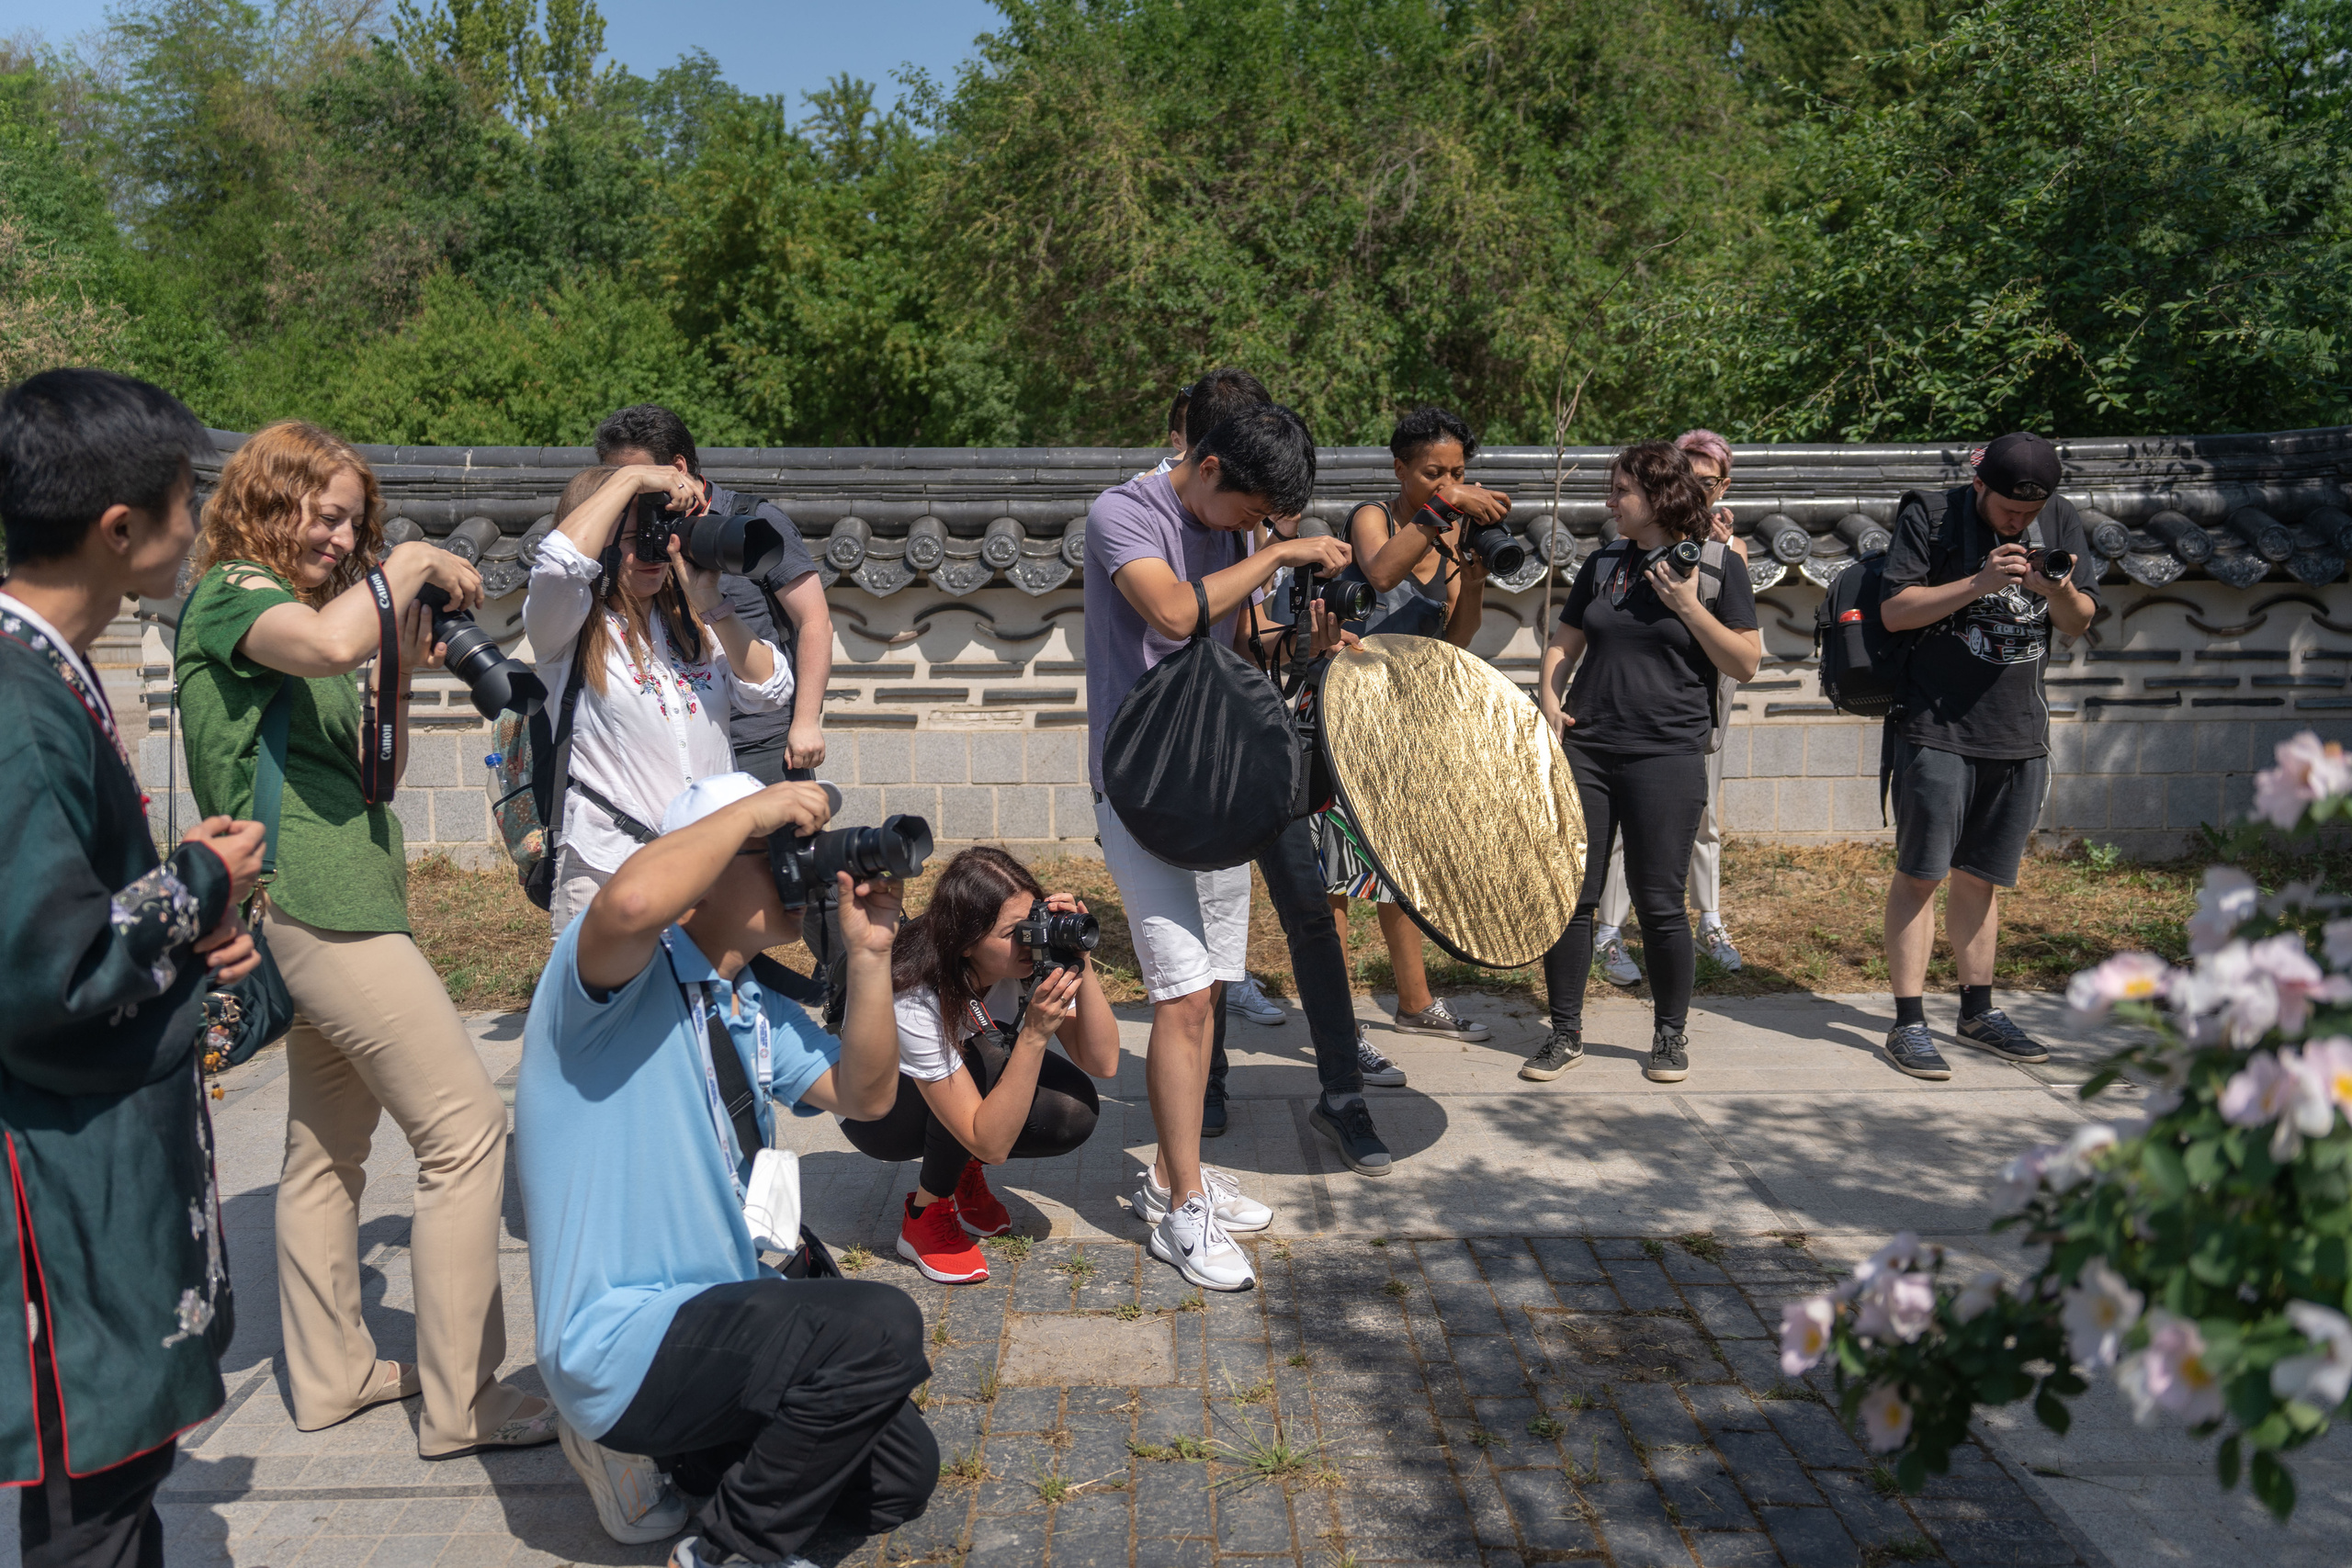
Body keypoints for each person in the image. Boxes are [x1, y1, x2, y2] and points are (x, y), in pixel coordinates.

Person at [175, 421, 557, 1458]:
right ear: (267, 501)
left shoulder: (302, 615)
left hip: (339, 893)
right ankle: (461, 1399)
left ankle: (335, 1374)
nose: (341, 538)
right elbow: (334, 641)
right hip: (315, 902)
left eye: (355, 522)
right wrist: (411, 562)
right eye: (325, 513)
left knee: (323, 1153)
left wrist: (408, 639)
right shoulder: (233, 598)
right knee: (467, 1128)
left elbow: (361, 747)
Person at [516, 773, 929, 1568]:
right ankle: (728, 1550)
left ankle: (688, 1460)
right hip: (621, 1334)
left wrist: (872, 954)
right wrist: (763, 807)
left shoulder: (746, 1002)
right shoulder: (602, 983)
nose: (800, 870)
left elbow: (869, 1096)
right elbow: (633, 904)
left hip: (716, 1320)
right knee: (880, 1328)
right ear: (699, 877)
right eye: (775, 853)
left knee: (900, 1476)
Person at [0, 367, 266, 1568]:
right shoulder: (16, 702)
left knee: (115, 1491)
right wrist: (201, 882)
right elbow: (45, 971)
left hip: (86, 1163)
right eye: (183, 495)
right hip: (57, 1187)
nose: (197, 517)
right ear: (119, 529)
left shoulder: (44, 665)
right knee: (89, 1504)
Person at [1088, 399, 1391, 1292]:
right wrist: (1277, 552)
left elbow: (1232, 638)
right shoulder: (1122, 513)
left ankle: (1177, 1175)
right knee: (1182, 998)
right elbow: (1174, 615)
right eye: (1252, 512)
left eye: (1269, 523)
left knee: (1209, 987)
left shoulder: (1230, 531)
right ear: (1210, 468)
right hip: (1143, 788)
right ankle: (1180, 1209)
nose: (1256, 530)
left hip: (1219, 773)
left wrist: (1308, 628)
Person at [1526, 441, 1761, 1085]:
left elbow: (1744, 660)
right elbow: (1563, 641)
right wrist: (1548, 696)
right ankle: (1565, 1032)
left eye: (1621, 490)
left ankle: (1668, 1033)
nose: (1610, 501)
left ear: (1658, 496)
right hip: (1590, 748)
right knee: (1572, 896)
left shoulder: (1715, 567)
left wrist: (1687, 606)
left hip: (1668, 751)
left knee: (1659, 900)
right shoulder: (1602, 563)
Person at [1877, 432, 2098, 1079]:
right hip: (1937, 724)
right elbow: (1895, 611)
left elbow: (2079, 619)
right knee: (1922, 872)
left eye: (2030, 513)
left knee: (1983, 874)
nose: (2019, 522)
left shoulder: (2059, 518)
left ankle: (1978, 1010)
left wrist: (2052, 588)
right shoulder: (1931, 513)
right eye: (2008, 510)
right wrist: (1979, 581)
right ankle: (1908, 1020)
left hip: (2018, 729)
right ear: (1980, 486)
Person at [523, 462, 797, 931]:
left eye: (658, 530)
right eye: (632, 538)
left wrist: (713, 604)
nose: (650, 549)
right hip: (609, 865)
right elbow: (558, 564)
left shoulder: (693, 626)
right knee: (614, 1005)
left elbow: (769, 690)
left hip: (708, 870)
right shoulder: (565, 630)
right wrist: (629, 478)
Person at [1319, 403, 1512, 1057]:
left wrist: (1476, 582)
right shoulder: (1375, 516)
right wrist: (1445, 509)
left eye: (1458, 472)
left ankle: (1414, 1002)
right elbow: (1378, 574)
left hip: (1406, 723)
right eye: (1434, 472)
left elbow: (1453, 640)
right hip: (1345, 715)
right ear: (1401, 468)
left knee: (1400, 869)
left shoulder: (1452, 537)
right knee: (1337, 876)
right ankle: (1339, 1028)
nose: (1448, 483)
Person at [839, 848, 1120, 1282]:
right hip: (877, 1115)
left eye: (1034, 922)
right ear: (966, 941)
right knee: (979, 1060)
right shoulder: (913, 996)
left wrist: (1078, 959)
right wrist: (1032, 1035)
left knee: (1073, 1110)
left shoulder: (1024, 960)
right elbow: (992, 1145)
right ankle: (925, 1214)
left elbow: (1101, 1061)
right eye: (1014, 932)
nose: (1030, 939)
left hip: (960, 1080)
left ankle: (960, 1166)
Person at [596, 404, 833, 784]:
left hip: (759, 738)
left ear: (678, 467)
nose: (631, 489)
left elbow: (814, 620)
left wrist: (806, 721)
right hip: (674, 745)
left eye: (639, 476)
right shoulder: (619, 537)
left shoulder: (750, 522)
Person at [1593, 428, 1749, 984]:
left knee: (1699, 821)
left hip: (1695, 708)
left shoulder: (1725, 555)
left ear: (1723, 486)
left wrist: (1716, 563)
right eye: (1690, 480)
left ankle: (1709, 920)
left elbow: (1742, 649)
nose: (1699, 492)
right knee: (1617, 833)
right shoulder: (1619, 555)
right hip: (1618, 722)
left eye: (1709, 483)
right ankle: (1609, 931)